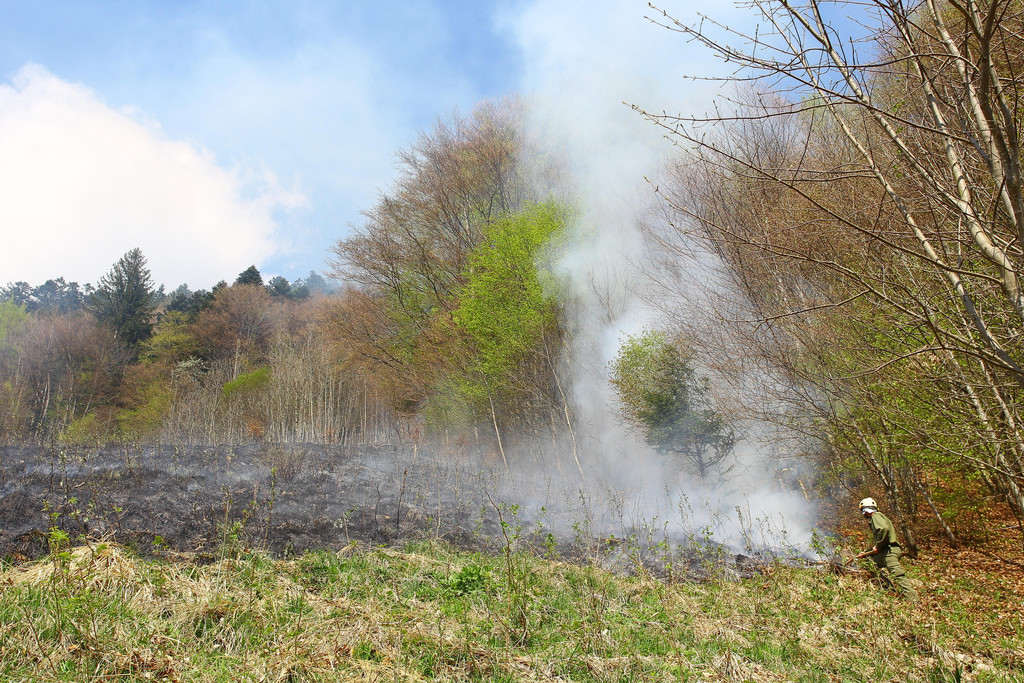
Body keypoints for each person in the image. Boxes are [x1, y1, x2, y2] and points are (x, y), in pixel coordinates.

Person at [851, 497, 919, 602]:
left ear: (866, 510)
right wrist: (865, 553)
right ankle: (889, 588)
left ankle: (914, 600)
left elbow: (883, 529)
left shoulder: (875, 516)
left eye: (863, 511)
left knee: (898, 575)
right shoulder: (878, 517)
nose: (863, 514)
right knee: (868, 563)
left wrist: (877, 547)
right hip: (885, 552)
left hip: (890, 552)